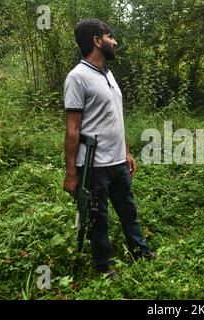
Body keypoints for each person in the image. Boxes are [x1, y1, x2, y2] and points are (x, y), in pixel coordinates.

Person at [63, 19, 155, 276]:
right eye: (110, 36)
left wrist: (125, 151)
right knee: (98, 219)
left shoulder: (108, 74)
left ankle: (140, 252)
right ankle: (105, 267)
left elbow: (114, 117)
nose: (115, 42)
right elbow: (72, 128)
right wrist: (71, 172)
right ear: (97, 40)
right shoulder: (77, 78)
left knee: (129, 210)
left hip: (117, 161)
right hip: (93, 165)